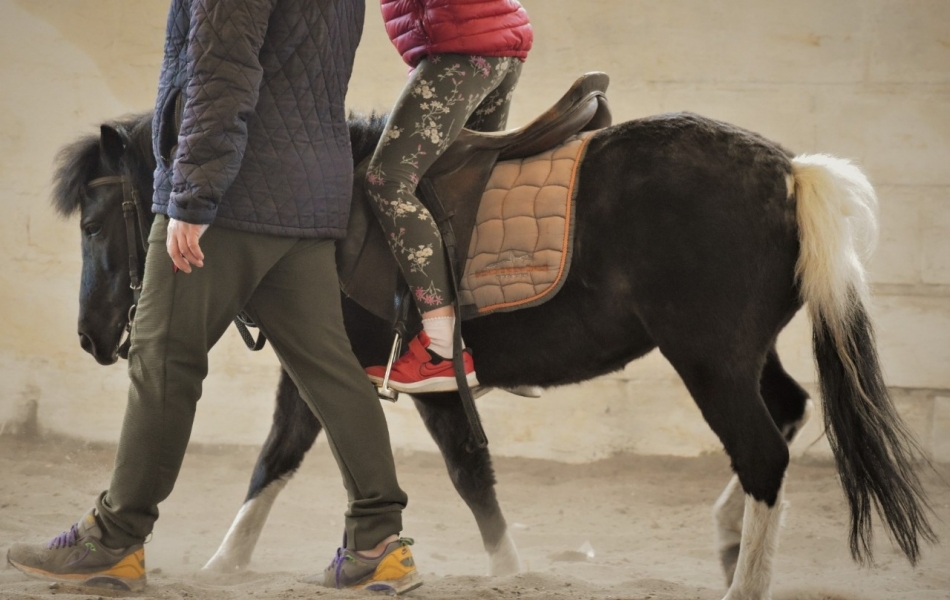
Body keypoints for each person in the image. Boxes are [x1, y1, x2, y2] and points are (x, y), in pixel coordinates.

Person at [7, 0, 422, 594]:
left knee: (162, 359)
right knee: (330, 369)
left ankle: (114, 539)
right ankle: (379, 544)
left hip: (232, 197)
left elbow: (220, 71)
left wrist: (193, 198)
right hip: (308, 198)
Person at [363, 0, 533, 393]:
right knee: (463, 186)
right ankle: (501, 340)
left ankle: (441, 347)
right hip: (492, 39)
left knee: (388, 179)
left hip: (460, 45)